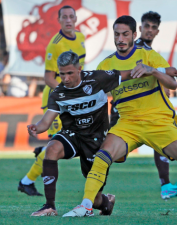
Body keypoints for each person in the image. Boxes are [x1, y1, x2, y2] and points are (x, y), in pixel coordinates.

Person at [63, 16, 177, 220]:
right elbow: (94, 95)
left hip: (158, 122)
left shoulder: (148, 55)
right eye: (117, 34)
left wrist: (152, 71)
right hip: (128, 123)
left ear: (134, 35)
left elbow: (173, 83)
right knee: (102, 157)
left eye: (125, 34)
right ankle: (86, 205)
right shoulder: (106, 64)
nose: (120, 39)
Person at [28, 51, 155, 216]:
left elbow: (129, 74)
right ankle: (49, 206)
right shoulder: (58, 93)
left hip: (96, 142)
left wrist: (160, 72)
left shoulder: (97, 79)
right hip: (73, 135)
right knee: (51, 149)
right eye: (62, 74)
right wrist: (36, 128)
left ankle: (107, 203)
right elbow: (46, 122)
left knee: (95, 199)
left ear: (79, 69)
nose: (65, 78)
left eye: (69, 73)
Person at [18, 5, 86, 196]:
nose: (68, 20)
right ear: (59, 20)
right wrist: (67, 93)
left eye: (71, 17)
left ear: (76, 18)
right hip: (57, 98)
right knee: (56, 144)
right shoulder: (55, 44)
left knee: (63, 142)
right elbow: (48, 77)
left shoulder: (81, 38)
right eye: (64, 17)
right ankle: (28, 183)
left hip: (73, 96)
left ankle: (28, 178)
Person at [135, 11, 177, 199]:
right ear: (140, 28)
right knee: (111, 153)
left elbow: (163, 78)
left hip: (147, 108)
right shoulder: (136, 50)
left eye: (153, 28)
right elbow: (139, 71)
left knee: (161, 144)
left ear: (157, 31)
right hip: (131, 109)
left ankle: (166, 185)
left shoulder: (151, 53)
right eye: (146, 27)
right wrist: (162, 72)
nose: (149, 31)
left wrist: (162, 81)